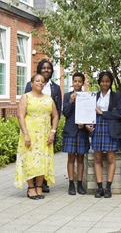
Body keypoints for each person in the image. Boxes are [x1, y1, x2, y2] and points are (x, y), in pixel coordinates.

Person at [15, 74, 59, 200]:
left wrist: (53, 131)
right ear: (32, 83)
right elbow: (20, 116)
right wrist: (26, 134)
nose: (40, 83)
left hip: (45, 136)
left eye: (42, 81)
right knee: (30, 160)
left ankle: (39, 187)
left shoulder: (48, 99)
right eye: (37, 81)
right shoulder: (26, 97)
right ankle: (30, 188)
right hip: (30, 134)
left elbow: (55, 116)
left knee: (42, 160)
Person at [24, 58, 62, 193]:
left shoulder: (55, 88)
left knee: (44, 155)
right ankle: (32, 185)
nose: (46, 70)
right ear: (39, 69)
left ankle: (43, 183)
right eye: (43, 68)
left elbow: (58, 110)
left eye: (49, 68)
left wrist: (53, 130)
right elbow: (24, 108)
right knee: (32, 155)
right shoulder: (30, 86)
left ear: (52, 71)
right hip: (32, 128)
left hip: (47, 128)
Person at [85, 71, 121, 198]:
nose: (105, 83)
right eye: (102, 81)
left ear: (111, 82)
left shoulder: (116, 97)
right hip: (97, 128)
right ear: (99, 82)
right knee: (97, 158)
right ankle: (99, 187)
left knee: (111, 158)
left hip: (110, 128)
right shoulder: (94, 96)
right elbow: (88, 112)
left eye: (107, 81)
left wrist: (103, 113)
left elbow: (120, 114)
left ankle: (108, 188)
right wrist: (87, 124)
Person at [62, 72, 90, 195]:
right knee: (71, 158)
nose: (77, 83)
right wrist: (71, 101)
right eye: (75, 81)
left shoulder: (86, 96)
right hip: (71, 131)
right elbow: (66, 113)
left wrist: (84, 123)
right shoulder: (68, 95)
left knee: (80, 158)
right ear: (72, 82)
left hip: (82, 131)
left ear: (83, 83)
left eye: (80, 81)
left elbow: (88, 113)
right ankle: (71, 184)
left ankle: (79, 183)